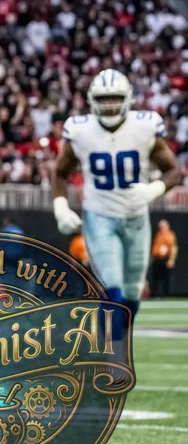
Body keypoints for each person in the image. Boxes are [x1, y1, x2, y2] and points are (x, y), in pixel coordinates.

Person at [53, 70, 182, 337]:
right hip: (99, 215)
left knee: (133, 291)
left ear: (128, 99)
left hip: (136, 215)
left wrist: (154, 189)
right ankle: (111, 351)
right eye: (104, 99)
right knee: (112, 286)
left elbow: (174, 171)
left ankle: (119, 338)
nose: (110, 104)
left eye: (115, 98)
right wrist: (60, 206)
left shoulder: (145, 126)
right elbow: (60, 171)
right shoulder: (80, 130)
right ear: (91, 101)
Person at [151, 219, 177, 299]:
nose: (161, 227)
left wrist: (171, 260)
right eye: (160, 226)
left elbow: (173, 248)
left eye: (163, 226)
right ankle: (155, 295)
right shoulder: (157, 234)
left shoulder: (170, 235)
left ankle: (166, 294)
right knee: (155, 278)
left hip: (165, 259)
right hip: (157, 259)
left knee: (166, 278)